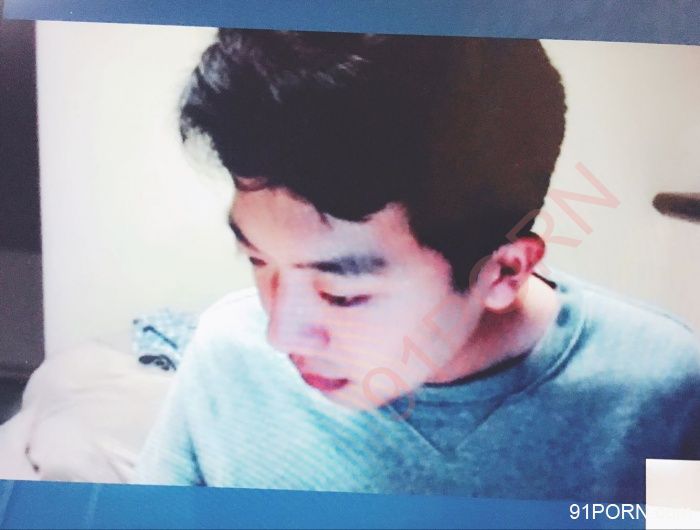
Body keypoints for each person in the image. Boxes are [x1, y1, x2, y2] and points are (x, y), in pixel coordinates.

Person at [136, 29, 700, 501]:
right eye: (258, 260)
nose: (280, 335)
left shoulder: (663, 391)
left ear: (503, 273)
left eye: (341, 294)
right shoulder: (226, 356)